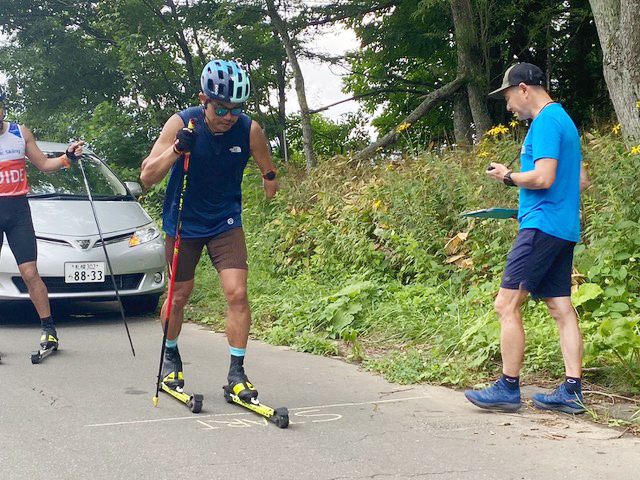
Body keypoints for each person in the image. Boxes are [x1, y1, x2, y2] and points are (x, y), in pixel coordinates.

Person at [140, 59, 278, 401]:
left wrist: (270, 182)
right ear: (204, 99)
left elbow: (267, 167)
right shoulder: (181, 123)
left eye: (235, 109)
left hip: (225, 222)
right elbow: (147, 177)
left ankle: (237, 373)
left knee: (238, 293)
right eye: (220, 108)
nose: (228, 116)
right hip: (184, 221)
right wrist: (176, 150)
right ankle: (171, 357)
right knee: (179, 295)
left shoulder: (249, 130)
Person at [464, 63, 590, 414]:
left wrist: (508, 177)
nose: (508, 107)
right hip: (563, 227)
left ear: (523, 89)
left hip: (541, 227)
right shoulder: (565, 120)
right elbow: (580, 180)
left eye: (507, 98)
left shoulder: (546, 121)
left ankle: (507, 387)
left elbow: (545, 177)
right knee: (560, 308)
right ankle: (571, 391)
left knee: (506, 305)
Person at [0, 87, 84, 360]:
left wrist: (67, 158)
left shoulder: (19, 133)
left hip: (17, 211)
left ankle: (49, 328)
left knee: (30, 272)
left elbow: (44, 164)